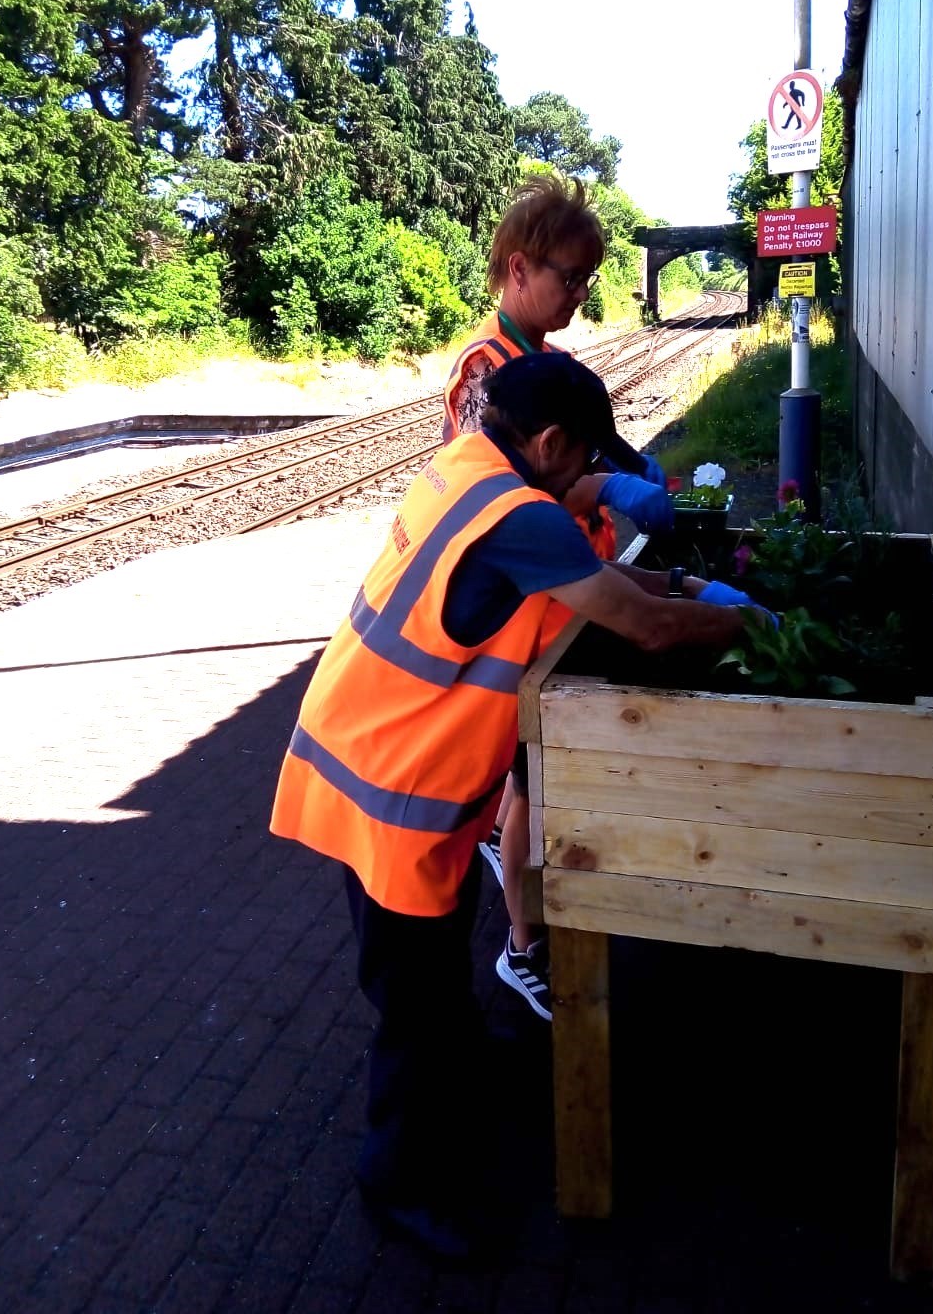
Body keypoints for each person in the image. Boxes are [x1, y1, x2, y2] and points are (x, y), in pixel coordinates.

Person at [269, 350, 770, 1261]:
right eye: (585, 462)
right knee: (411, 1006)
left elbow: (600, 594)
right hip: (395, 790)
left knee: (422, 984)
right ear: (546, 442)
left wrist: (693, 586)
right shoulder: (518, 513)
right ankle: (399, 1186)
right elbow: (641, 624)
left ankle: (454, 1082)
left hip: (360, 755)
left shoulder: (470, 466)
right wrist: (738, 619)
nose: (591, 481)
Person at [441, 173, 671, 1019]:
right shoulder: (486, 373)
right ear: (515, 269)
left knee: (537, 775)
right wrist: (601, 493)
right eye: (567, 277)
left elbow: (583, 454)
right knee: (532, 772)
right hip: (532, 604)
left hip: (567, 592)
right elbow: (499, 507)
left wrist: (624, 466)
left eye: (585, 281)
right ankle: (522, 948)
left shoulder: (552, 361)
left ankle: (523, 890)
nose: (578, 293)